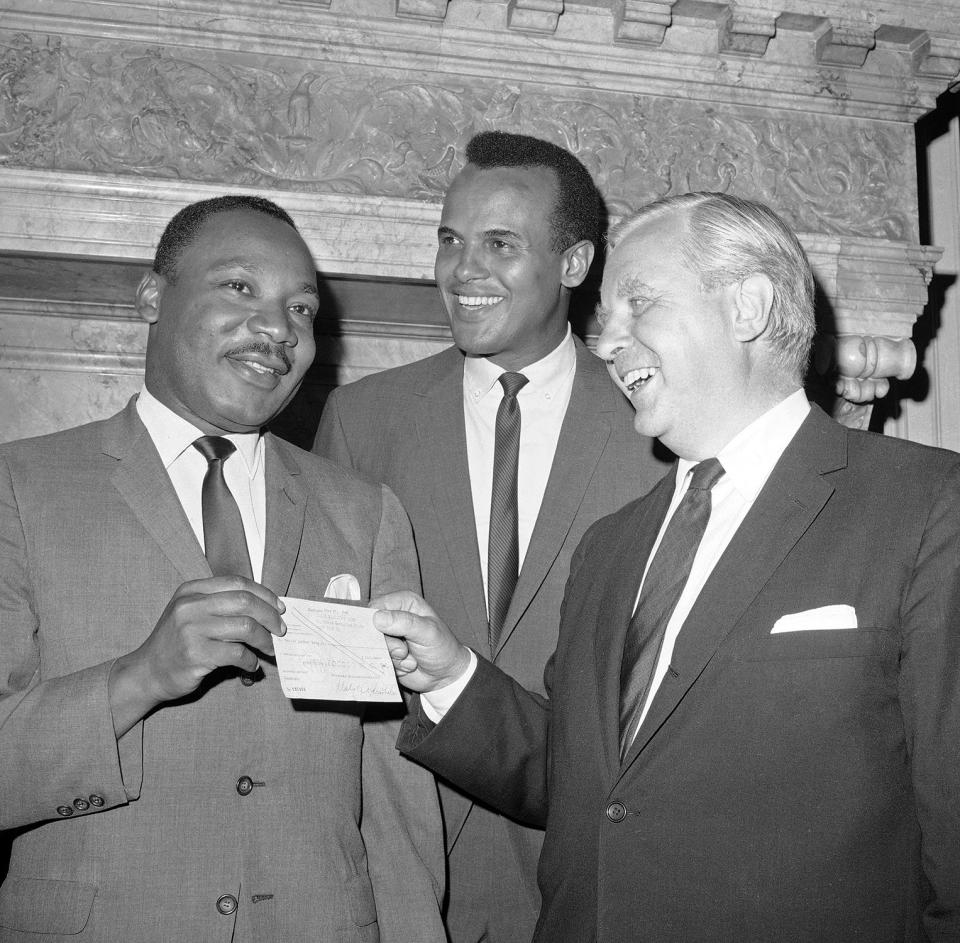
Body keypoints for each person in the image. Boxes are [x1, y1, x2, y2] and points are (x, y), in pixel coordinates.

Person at [373, 192, 960, 942]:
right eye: (605, 318)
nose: (607, 340)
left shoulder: (927, 506)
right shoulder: (609, 546)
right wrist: (450, 674)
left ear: (747, 305)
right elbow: (583, 779)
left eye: (638, 304)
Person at [0, 195, 445, 942]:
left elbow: (393, 787)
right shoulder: (19, 489)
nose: (277, 328)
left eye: (301, 308)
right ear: (153, 295)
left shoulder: (365, 513)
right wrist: (137, 678)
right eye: (239, 287)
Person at [314, 131, 668, 942]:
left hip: (594, 882)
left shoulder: (658, 426)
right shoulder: (362, 420)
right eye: (450, 240)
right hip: (400, 879)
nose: (462, 269)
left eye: (499, 244)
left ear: (575, 264)